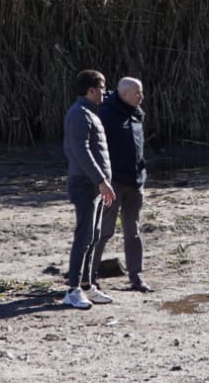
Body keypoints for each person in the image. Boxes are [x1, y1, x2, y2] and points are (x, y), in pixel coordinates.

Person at [61, 69, 116, 309]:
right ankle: (72, 290)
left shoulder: (89, 112)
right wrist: (102, 180)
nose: (105, 92)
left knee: (93, 236)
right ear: (91, 90)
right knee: (83, 237)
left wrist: (101, 182)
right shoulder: (78, 114)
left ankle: (86, 285)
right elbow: (81, 151)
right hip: (84, 184)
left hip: (93, 185)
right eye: (102, 88)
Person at [94, 76, 151, 291]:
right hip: (113, 183)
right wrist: (102, 180)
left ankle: (136, 277)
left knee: (133, 232)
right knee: (104, 230)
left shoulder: (136, 114)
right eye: (138, 93)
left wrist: (141, 173)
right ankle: (89, 277)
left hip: (135, 182)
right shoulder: (106, 115)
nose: (142, 97)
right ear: (124, 94)